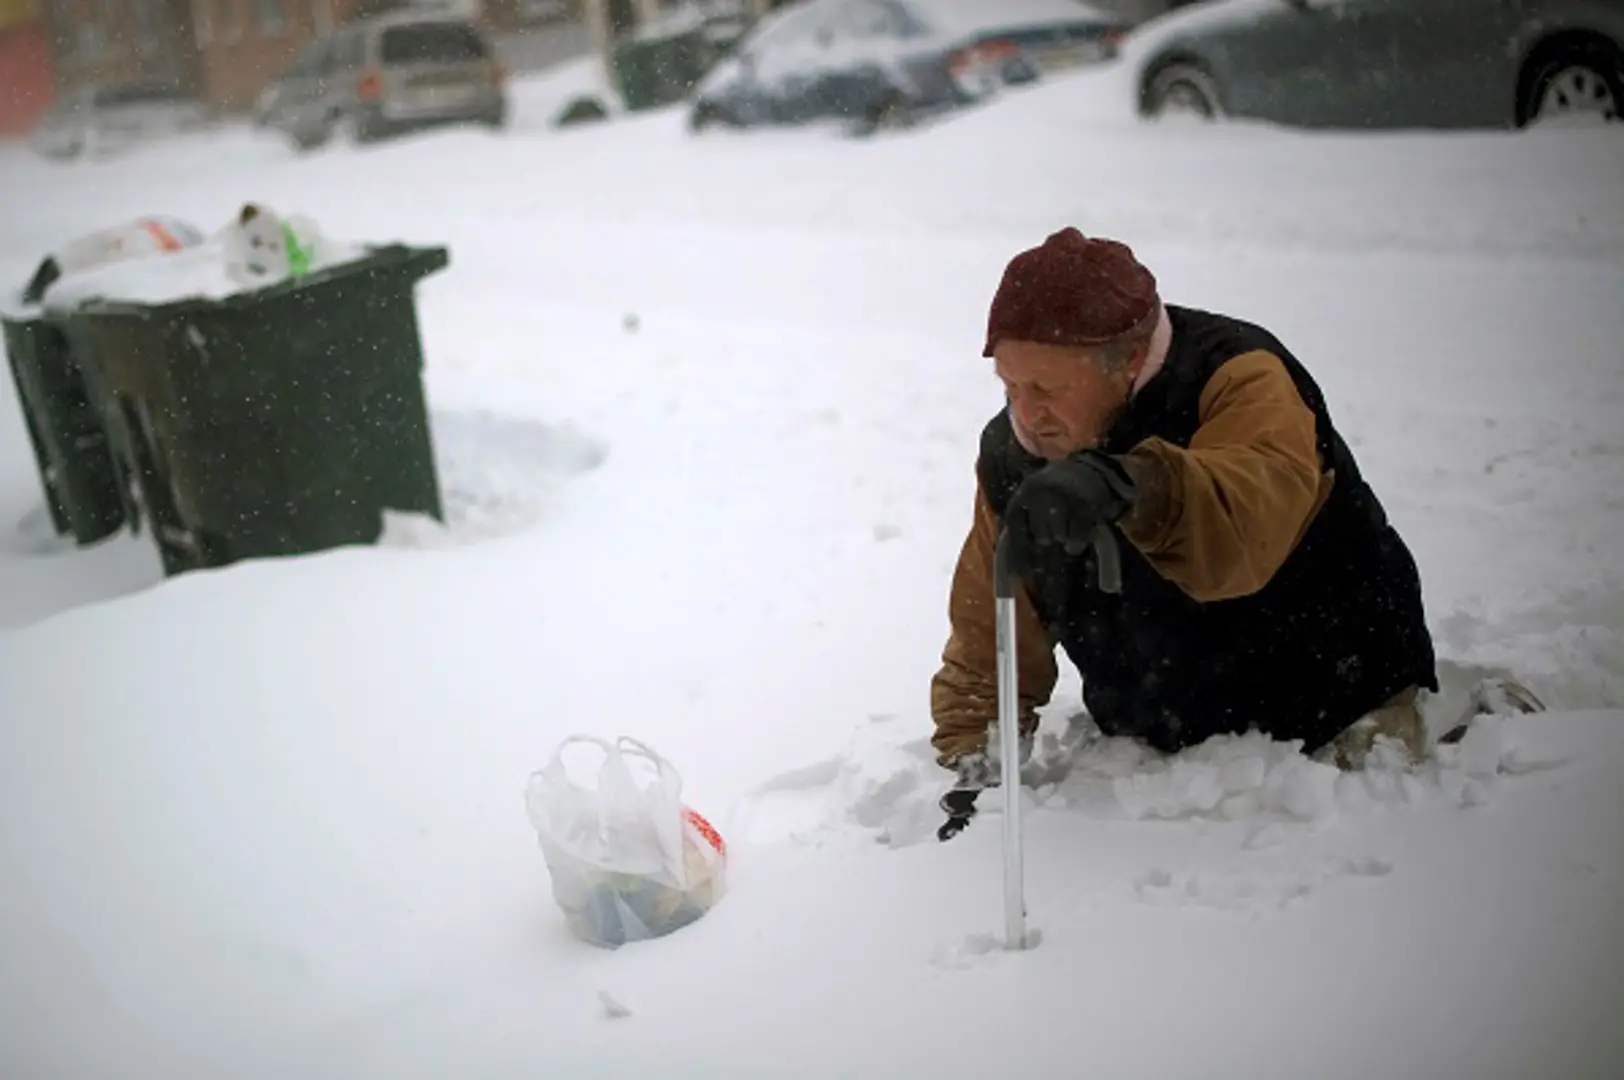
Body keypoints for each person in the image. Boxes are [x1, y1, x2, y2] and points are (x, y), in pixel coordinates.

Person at [929, 227, 1445, 801]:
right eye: (1009, 385)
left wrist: (1127, 486)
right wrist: (974, 749)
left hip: (1335, 717)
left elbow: (1242, 535)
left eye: (1047, 388)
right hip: (1158, 751)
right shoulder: (1014, 453)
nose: (1027, 414)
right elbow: (991, 618)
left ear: (1126, 360)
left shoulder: (1239, 375)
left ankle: (1458, 710)